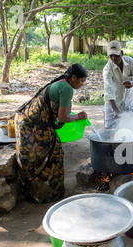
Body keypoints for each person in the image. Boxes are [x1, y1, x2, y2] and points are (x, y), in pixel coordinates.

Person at [15, 63, 88, 203]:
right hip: (33, 126)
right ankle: (55, 194)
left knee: (37, 159)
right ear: (73, 77)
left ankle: (35, 192)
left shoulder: (61, 82)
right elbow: (63, 117)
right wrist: (79, 116)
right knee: (54, 155)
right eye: (81, 81)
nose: (82, 84)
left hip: (26, 121)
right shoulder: (66, 88)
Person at [103, 40, 133, 129]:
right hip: (112, 103)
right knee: (109, 129)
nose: (113, 58)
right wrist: (115, 110)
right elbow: (108, 90)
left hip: (128, 100)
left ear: (122, 53)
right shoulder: (107, 69)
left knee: (130, 128)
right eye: (111, 55)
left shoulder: (130, 61)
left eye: (116, 55)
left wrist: (132, 83)